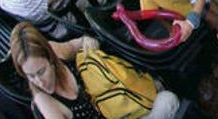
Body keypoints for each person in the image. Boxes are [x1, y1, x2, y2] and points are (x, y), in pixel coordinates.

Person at [10, 22, 180, 119]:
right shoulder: (46, 104)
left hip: (116, 105)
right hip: (115, 112)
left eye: (41, 72)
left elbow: (80, 41)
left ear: (51, 59)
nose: (39, 82)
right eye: (30, 76)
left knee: (155, 86)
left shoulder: (56, 51)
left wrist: (88, 42)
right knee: (168, 100)